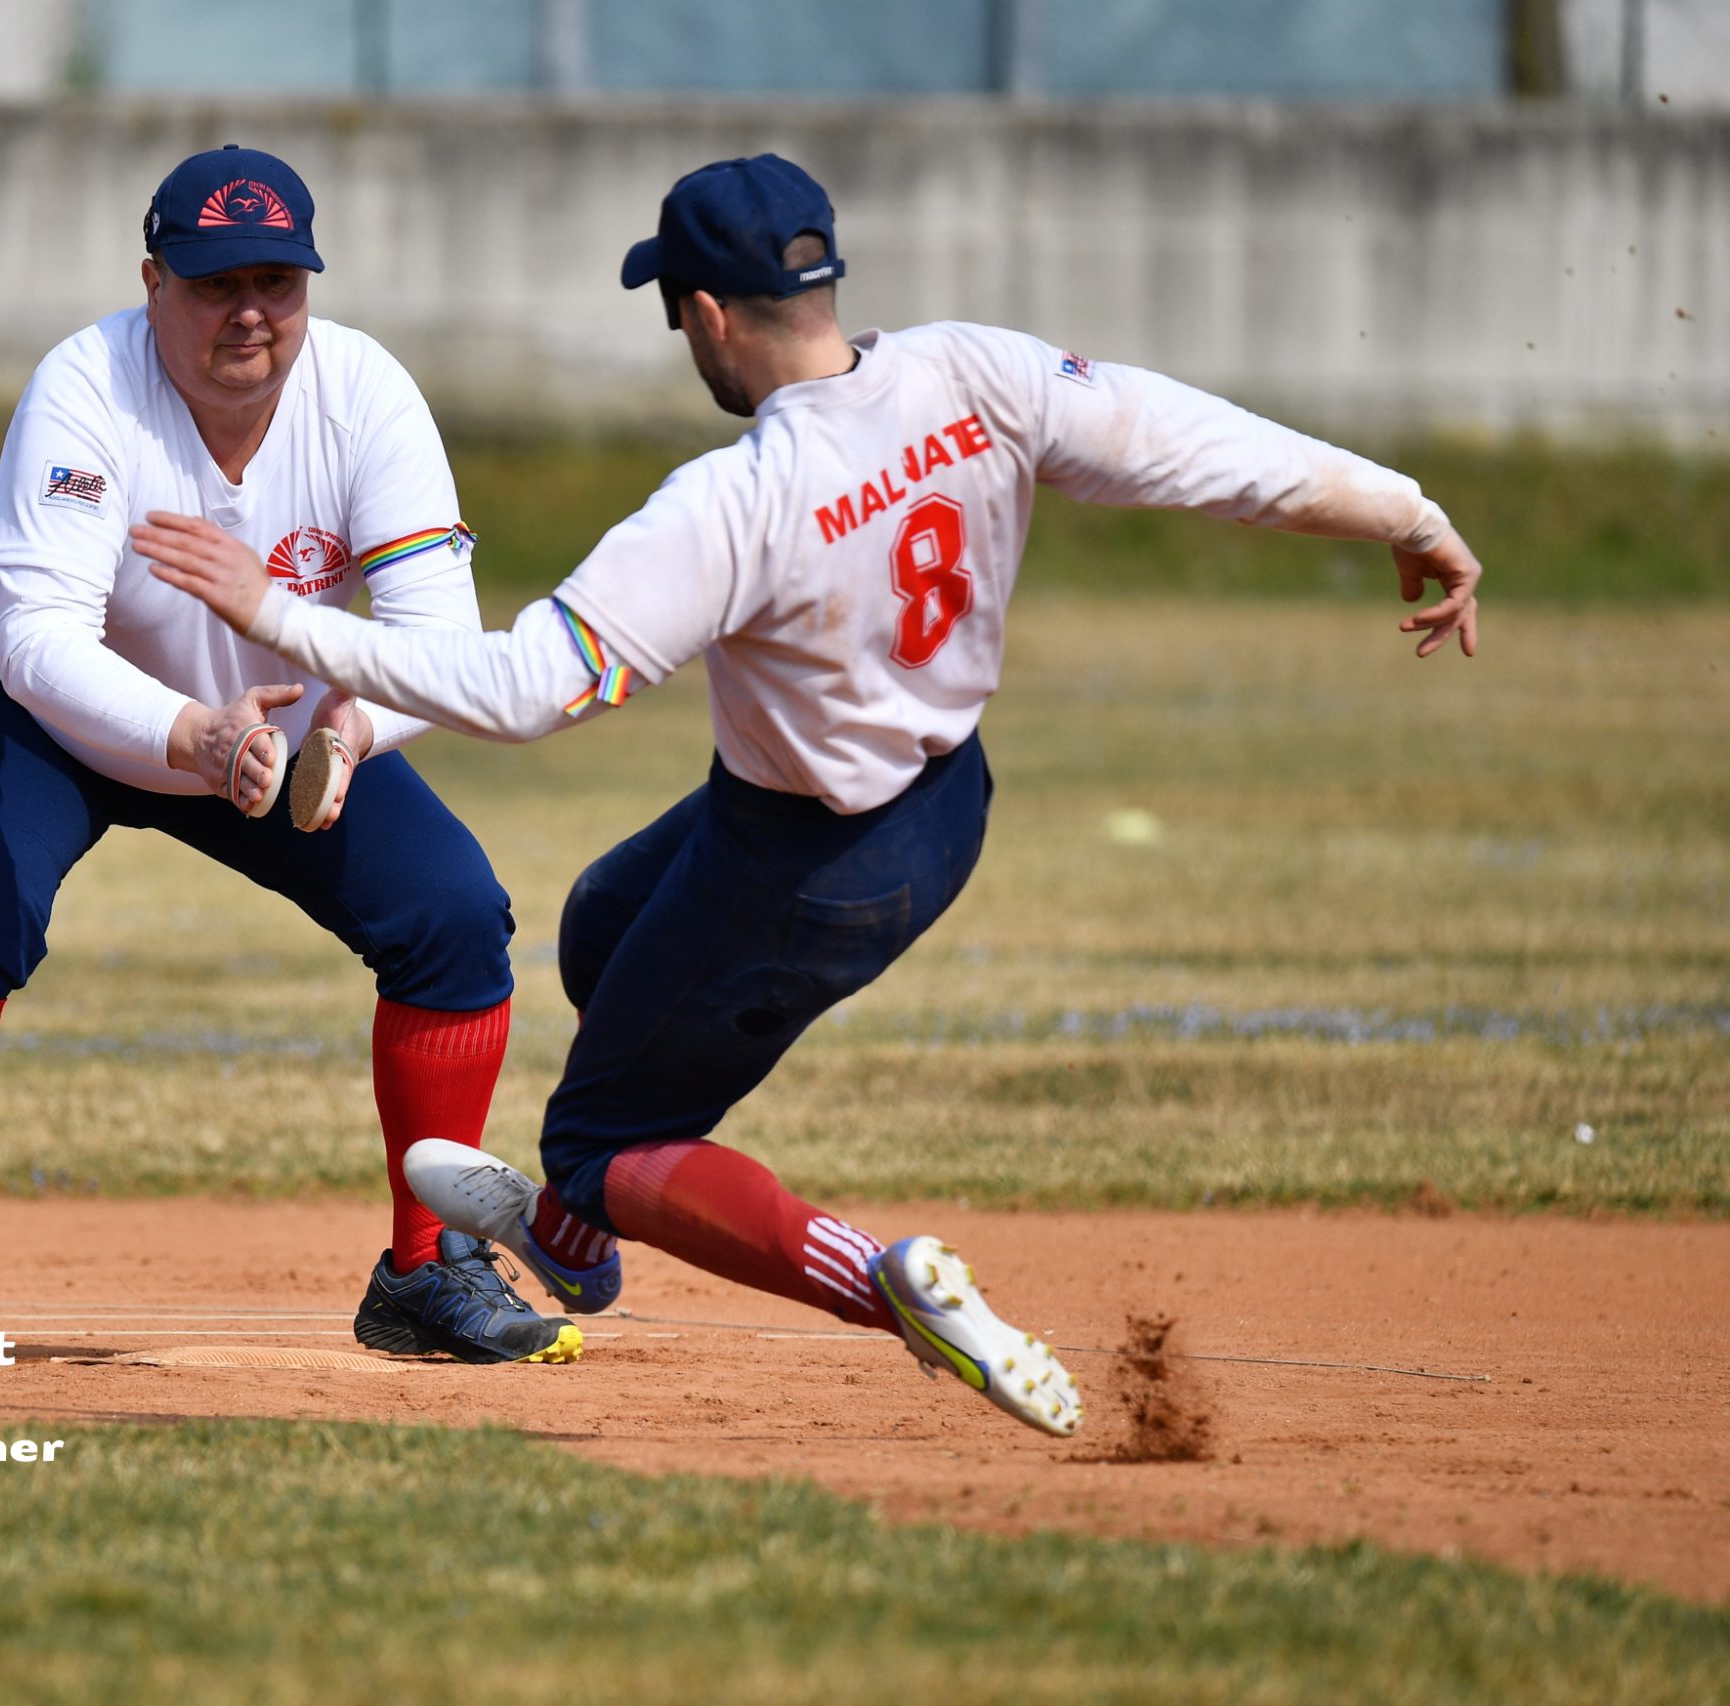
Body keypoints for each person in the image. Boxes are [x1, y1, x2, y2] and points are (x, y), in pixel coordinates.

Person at [145, 154, 1485, 1436]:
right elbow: (1196, 446)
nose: (686, 341)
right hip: (942, 800)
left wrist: (274, 611)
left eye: (677, 315)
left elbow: (514, 692)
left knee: (604, 1143)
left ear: (713, 316)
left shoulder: (741, 496)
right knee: (603, 930)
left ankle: (880, 1278)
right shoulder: (980, 370)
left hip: (811, 861)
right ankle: (569, 1238)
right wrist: (1408, 511)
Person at [0, 145, 577, 1369]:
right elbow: (38, 638)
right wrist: (192, 735)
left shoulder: (366, 395)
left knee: (450, 913)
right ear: (152, 278)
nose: (249, 311)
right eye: (215, 279)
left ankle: (425, 1271)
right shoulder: (87, 384)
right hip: (42, 704)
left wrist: (353, 730)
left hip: (272, 730)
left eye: (277, 279)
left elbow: (439, 641)